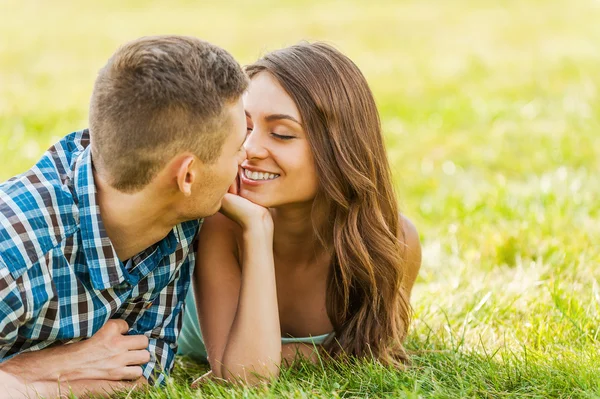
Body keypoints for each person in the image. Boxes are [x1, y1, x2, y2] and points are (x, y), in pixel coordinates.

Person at [0, 35, 248, 397]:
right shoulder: (15, 252)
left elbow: (141, 373)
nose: (246, 158)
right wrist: (32, 376)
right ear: (187, 176)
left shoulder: (174, 224)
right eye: (239, 147)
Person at [178, 42, 422, 385]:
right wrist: (257, 229)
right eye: (245, 127)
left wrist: (292, 355)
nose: (249, 149)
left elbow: (380, 349)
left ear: (339, 149)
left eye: (281, 134)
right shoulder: (221, 222)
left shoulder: (393, 241)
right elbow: (245, 377)